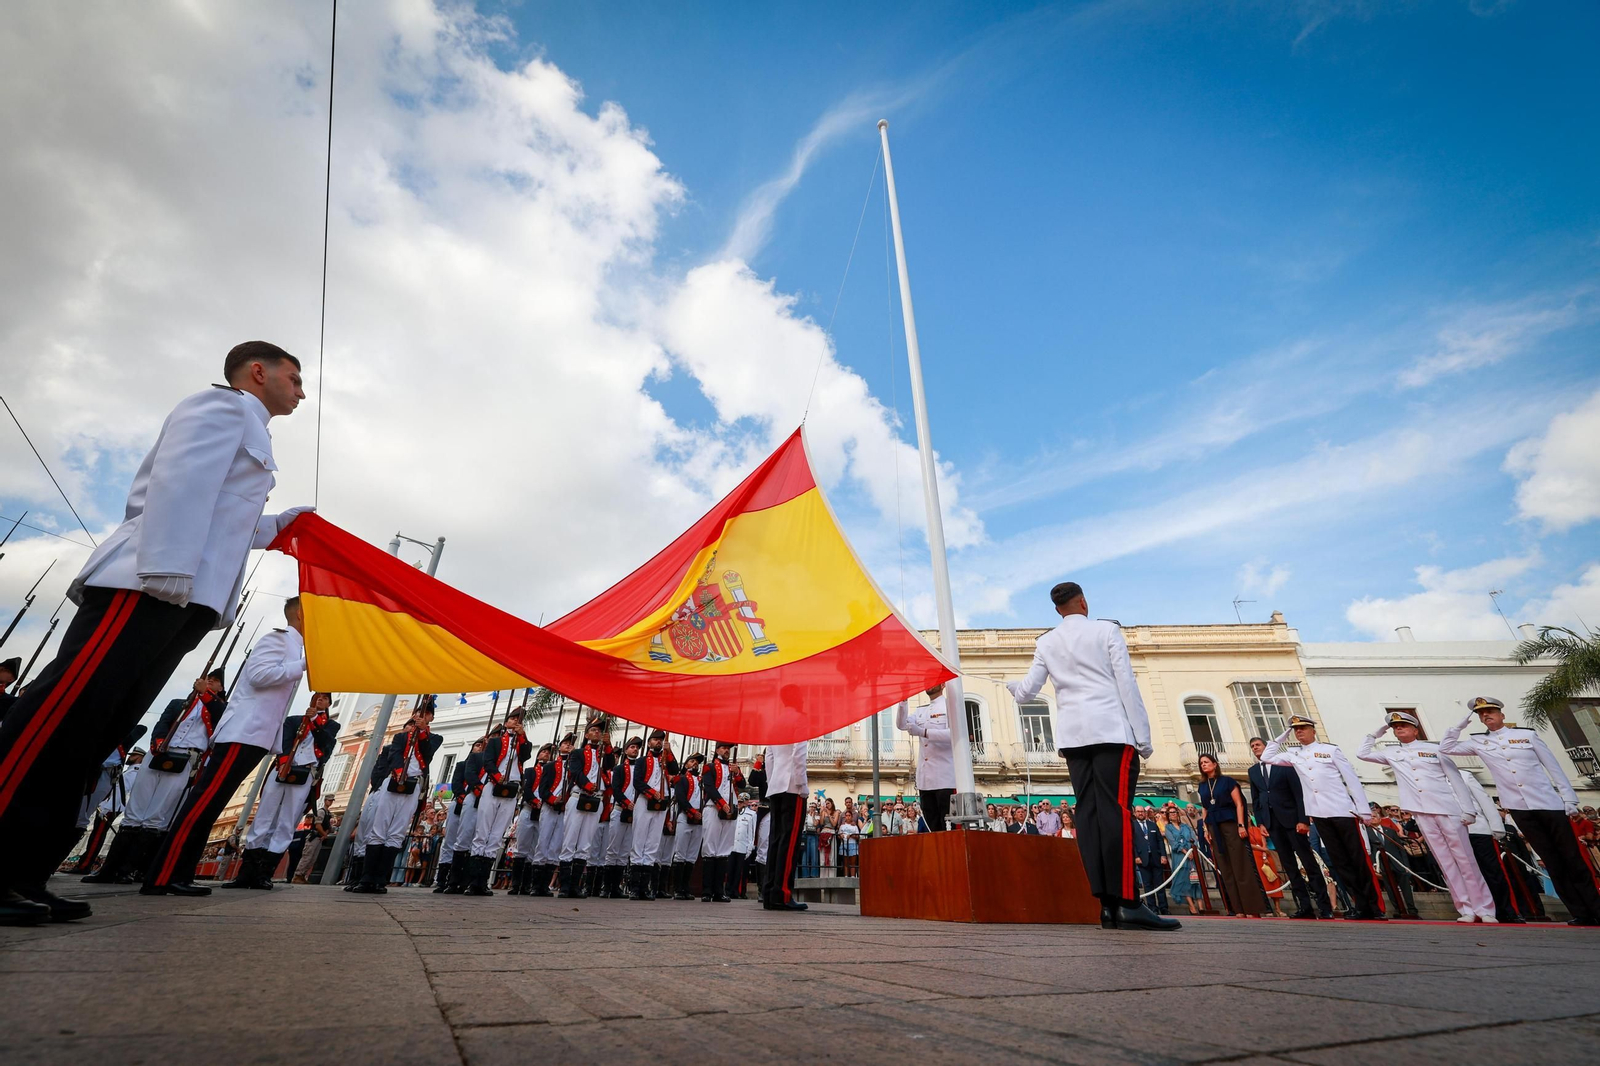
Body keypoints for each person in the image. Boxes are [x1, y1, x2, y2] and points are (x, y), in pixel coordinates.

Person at [0, 342, 310, 924]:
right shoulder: (224, 407)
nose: (301, 390)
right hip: (148, 580)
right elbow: (178, 479)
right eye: (294, 378)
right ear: (259, 372)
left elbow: (225, 520)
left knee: (96, 732)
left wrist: (278, 526)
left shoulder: (256, 432)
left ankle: (22, 872)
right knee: (62, 713)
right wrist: (165, 564)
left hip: (187, 595)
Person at [1006, 581, 1177, 931]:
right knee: (1116, 813)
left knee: (1088, 815)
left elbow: (1025, 693)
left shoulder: (1046, 642)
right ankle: (1128, 902)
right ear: (1083, 601)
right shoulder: (1106, 631)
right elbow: (1126, 683)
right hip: (1111, 732)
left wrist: (1012, 686)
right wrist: (1142, 739)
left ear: (1057, 610)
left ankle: (1105, 905)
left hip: (1074, 738)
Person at [143, 596, 309, 896]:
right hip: (242, 733)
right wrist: (303, 664)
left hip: (256, 736)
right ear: (301, 613)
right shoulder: (279, 639)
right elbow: (259, 676)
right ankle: (163, 875)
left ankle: (177, 873)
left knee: (210, 807)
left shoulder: (294, 648)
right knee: (202, 803)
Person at [1441, 696, 1600, 926]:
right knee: (1551, 860)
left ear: (1502, 714)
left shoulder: (1527, 736)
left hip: (1548, 803)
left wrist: (1569, 798)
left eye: (1491, 711)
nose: (1487, 715)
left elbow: (1553, 767)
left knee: (1572, 858)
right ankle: (1580, 912)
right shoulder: (1478, 742)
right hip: (1519, 807)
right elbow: (1446, 747)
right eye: (1481, 714)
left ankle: (1596, 908)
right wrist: (1461, 724)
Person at [1358, 711, 1495, 922]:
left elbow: (1455, 779)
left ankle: (1484, 908)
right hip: (1421, 811)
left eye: (1403, 725)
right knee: (1445, 861)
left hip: (1447, 808)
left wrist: (1467, 809)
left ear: (1415, 729)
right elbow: (1362, 753)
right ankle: (1466, 908)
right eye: (1395, 727)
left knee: (1466, 859)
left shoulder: (1435, 749)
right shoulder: (1392, 753)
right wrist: (1378, 732)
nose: (1398, 728)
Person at [1260, 715, 1386, 920]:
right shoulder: (1294, 755)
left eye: (1303, 728)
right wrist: (1283, 735)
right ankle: (1360, 905)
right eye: (1295, 730)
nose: (1299, 732)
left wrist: (1363, 810)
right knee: (1339, 861)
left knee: (1357, 859)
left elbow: (1352, 780)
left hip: (1342, 810)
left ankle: (1374, 907)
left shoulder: (1330, 750)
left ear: (1313, 730)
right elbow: (1267, 756)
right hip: (1319, 813)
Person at [229, 690, 340, 889]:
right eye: (317, 697)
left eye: (324, 698)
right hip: (282, 768)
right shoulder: (293, 720)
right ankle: (245, 874)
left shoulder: (332, 725)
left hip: (305, 773)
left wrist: (314, 720)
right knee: (263, 817)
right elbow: (284, 743)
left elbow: (326, 744)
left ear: (328, 703)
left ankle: (265, 874)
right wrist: (283, 763)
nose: (320, 699)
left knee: (286, 822)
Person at [350, 700, 444, 894]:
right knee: (379, 829)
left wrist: (422, 732)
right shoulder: (401, 738)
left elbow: (427, 754)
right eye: (419, 713)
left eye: (426, 714)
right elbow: (393, 756)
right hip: (394, 781)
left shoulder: (434, 738)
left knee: (396, 832)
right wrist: (399, 773)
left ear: (430, 718)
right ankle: (366, 878)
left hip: (413, 785)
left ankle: (380, 879)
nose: (421, 717)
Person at [1248, 736, 1331, 920]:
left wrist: (1303, 819)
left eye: (1258, 745)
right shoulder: (1253, 771)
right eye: (1252, 746)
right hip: (1272, 824)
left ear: (1268, 747)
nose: (1255, 748)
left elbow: (1299, 793)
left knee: (1308, 861)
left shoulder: (1283, 765)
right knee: (1289, 866)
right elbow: (1256, 798)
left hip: (1292, 820)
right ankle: (1304, 906)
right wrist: (1261, 822)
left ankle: (1325, 906)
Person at [1196, 753, 1267, 917]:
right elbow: (1205, 807)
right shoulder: (1202, 785)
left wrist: (1241, 824)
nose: (1203, 765)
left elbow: (1239, 804)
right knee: (1225, 868)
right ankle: (1237, 908)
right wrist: (1206, 830)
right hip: (1213, 825)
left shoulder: (1228, 781)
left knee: (1240, 864)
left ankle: (1252, 908)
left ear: (1215, 764)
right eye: (1201, 763)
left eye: (1206, 762)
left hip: (1230, 822)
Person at [468, 711, 530, 897]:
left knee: (496, 836)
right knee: (482, 833)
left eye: (518, 720)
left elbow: (525, 755)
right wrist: (497, 776)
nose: (514, 722)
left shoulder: (522, 742)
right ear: (506, 722)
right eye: (512, 719)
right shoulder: (495, 742)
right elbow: (488, 762)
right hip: (493, 786)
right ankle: (473, 883)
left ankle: (483, 882)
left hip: (511, 789)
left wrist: (522, 736)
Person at [1459, 769, 1524, 923]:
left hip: (1478, 829)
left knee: (1492, 871)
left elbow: (1485, 801)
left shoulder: (1464, 775)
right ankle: (1477, 910)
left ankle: (1506, 910)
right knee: (1468, 875)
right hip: (1455, 833)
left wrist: (1496, 826)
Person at [557, 717, 611, 898]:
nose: (597, 733)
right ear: (587, 734)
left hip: (596, 799)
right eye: (594, 730)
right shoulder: (578, 753)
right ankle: (564, 886)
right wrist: (588, 785)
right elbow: (575, 772)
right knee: (570, 840)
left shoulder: (604, 753)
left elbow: (611, 766)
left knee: (585, 843)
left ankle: (575, 886)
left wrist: (609, 745)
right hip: (580, 795)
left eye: (599, 731)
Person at [895, 684, 955, 832]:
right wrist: (903, 700)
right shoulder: (921, 710)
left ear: (943, 684)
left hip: (945, 777)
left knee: (947, 825)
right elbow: (902, 725)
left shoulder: (949, 706)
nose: (929, 684)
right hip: (926, 779)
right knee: (931, 826)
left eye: (933, 680)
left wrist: (923, 731)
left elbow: (953, 735)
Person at [627, 730, 677, 900]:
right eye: (655, 740)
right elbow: (638, 782)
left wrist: (669, 752)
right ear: (649, 743)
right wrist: (651, 792)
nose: (658, 742)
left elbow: (675, 770)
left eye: (660, 740)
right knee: (639, 841)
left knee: (653, 843)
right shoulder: (642, 761)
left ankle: (645, 886)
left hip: (661, 804)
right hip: (645, 801)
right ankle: (634, 887)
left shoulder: (665, 760)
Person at [762, 735, 810, 912]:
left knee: (775, 840)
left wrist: (772, 781)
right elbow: (799, 753)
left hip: (776, 785)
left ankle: (769, 893)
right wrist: (802, 785)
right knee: (789, 843)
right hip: (792, 786)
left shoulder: (777, 724)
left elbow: (769, 756)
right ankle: (782, 893)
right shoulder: (799, 721)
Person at [699, 741, 744, 902]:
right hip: (713, 808)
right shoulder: (710, 767)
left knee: (724, 849)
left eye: (728, 749)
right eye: (724, 748)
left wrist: (737, 772)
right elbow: (709, 787)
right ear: (717, 749)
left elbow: (743, 785)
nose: (726, 751)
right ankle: (706, 890)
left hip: (729, 811)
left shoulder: (733, 768)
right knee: (710, 847)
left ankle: (719, 891)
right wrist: (721, 803)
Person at [598, 735, 640, 899]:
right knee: (613, 848)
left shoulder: (640, 768)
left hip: (635, 811)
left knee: (624, 850)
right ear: (625, 750)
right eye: (632, 747)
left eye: (637, 747)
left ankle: (616, 887)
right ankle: (606, 886)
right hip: (619, 808)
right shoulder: (619, 769)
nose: (635, 749)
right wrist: (625, 802)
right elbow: (616, 789)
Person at [534, 732, 576, 894]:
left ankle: (545, 885)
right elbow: (543, 789)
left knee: (556, 846)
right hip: (550, 807)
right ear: (560, 747)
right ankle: (536, 885)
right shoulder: (551, 766)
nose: (568, 746)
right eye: (566, 743)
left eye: (571, 744)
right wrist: (553, 800)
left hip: (564, 808)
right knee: (543, 842)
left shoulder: (573, 767)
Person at [669, 751, 706, 900]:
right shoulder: (682, 779)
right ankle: (678, 888)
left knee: (691, 855)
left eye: (697, 762)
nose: (695, 764)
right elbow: (681, 798)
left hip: (700, 819)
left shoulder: (702, 780)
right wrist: (691, 811)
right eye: (692, 761)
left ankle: (686, 887)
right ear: (685, 765)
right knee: (680, 853)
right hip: (686, 817)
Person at [1131, 805, 1170, 914]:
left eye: (1142, 811)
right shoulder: (1132, 826)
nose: (1140, 813)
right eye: (1138, 812)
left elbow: (1160, 841)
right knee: (1147, 884)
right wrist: (1136, 857)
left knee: (1160, 884)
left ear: (1145, 812)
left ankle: (1164, 907)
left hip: (1156, 858)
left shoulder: (1153, 825)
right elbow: (1132, 843)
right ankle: (1152, 908)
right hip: (1142, 859)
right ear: (1135, 813)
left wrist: (1163, 855)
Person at [1162, 806, 1200, 915]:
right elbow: (1173, 843)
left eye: (1175, 812)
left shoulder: (1186, 826)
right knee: (1183, 881)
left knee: (1195, 880)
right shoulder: (1168, 828)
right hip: (1180, 857)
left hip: (1192, 854)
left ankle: (1201, 906)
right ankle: (1192, 907)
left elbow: (1194, 838)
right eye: (1171, 813)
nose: (1173, 814)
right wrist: (1185, 852)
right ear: (1168, 816)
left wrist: (1193, 850)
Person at [293, 808, 334, 883]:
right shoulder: (321, 812)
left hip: (319, 837)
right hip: (314, 837)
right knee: (307, 856)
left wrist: (324, 834)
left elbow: (328, 827)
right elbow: (318, 826)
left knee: (313, 858)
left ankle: (302, 875)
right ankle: (298, 875)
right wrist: (325, 834)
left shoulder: (328, 814)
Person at [730, 791, 758, 899]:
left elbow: (752, 832)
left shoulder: (751, 814)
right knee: (730, 870)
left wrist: (750, 847)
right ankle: (729, 890)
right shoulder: (734, 812)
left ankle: (738, 892)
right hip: (732, 845)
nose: (741, 803)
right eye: (740, 801)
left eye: (743, 801)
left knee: (740, 872)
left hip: (743, 845)